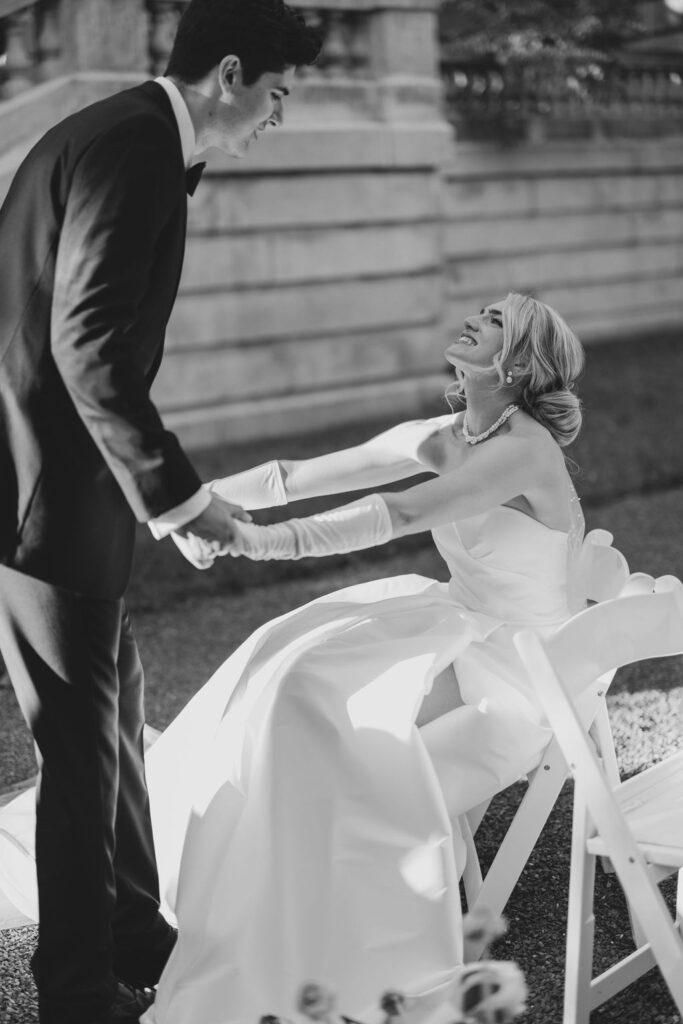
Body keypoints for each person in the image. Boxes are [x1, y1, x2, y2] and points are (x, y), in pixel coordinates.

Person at [138, 292, 587, 1020]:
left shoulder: (523, 448)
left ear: (519, 360)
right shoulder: (448, 433)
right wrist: (188, 502)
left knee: (314, 703)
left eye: (498, 319)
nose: (476, 316)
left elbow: (397, 515)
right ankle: (229, 882)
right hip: (459, 623)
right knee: (279, 655)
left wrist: (250, 542)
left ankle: (306, 927)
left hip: (520, 665)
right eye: (482, 309)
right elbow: (294, 474)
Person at [0, 3, 320, 1023]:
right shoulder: (133, 147)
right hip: (39, 496)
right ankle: (79, 993)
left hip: (61, 484)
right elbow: (85, 342)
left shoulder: (123, 134)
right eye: (276, 94)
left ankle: (136, 933)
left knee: (113, 712)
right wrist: (179, 498)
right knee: (81, 747)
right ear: (228, 74)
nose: (278, 116)